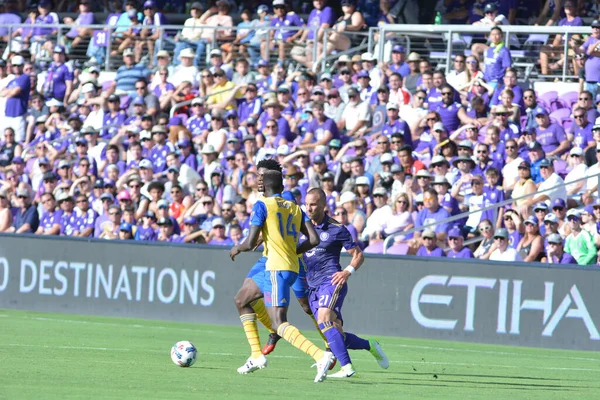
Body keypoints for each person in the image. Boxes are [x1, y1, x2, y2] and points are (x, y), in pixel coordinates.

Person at [229, 169, 334, 382]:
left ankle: (320, 355)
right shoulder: (295, 208)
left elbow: (250, 243)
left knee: (278, 323)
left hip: (277, 268)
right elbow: (313, 239)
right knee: (241, 299)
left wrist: (237, 248)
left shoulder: (262, 205)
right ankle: (256, 356)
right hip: (285, 266)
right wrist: (292, 251)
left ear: (265, 187)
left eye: (260, 181)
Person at [302, 187, 388, 378]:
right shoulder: (302, 227)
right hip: (313, 287)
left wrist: (347, 271)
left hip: (332, 281)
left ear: (324, 205)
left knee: (324, 319)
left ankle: (347, 367)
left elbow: (358, 255)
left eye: (313, 204)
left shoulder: (337, 228)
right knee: (334, 333)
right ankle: (370, 345)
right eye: (307, 204)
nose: (309, 208)